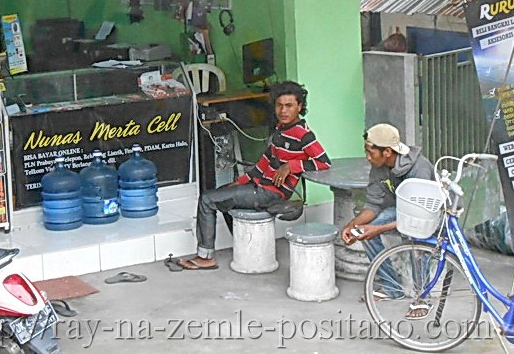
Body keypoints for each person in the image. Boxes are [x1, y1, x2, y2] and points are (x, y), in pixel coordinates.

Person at [178, 81, 331, 270]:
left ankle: (205, 257)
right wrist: (241, 181)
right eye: (279, 105)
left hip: (271, 193)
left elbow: (324, 162)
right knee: (222, 196)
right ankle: (245, 246)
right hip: (260, 186)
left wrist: (291, 166)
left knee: (207, 199)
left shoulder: (302, 134)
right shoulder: (281, 128)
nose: (283, 111)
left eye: (289, 106)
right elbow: (266, 160)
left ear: (299, 107)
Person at [340, 123, 434, 318]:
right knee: (364, 231)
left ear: (388, 152)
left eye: (371, 153)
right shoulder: (379, 167)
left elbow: (419, 217)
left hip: (427, 215)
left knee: (415, 239)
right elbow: (372, 205)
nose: (367, 157)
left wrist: (379, 229)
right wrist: (352, 225)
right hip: (401, 212)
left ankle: (423, 298)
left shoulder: (419, 169)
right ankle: (392, 287)